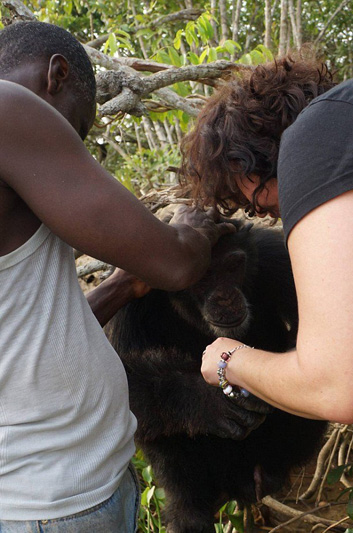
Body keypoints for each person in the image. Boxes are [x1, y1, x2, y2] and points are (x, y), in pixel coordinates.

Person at [0, 21, 234, 531]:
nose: (72, 149)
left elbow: (23, 335)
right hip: (55, 504)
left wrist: (122, 285)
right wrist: (191, 227)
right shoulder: (9, 109)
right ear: (55, 75)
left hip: (49, 497)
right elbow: (176, 263)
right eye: (78, 130)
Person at [179, 56, 353, 425]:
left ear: (240, 159)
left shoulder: (314, 137)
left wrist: (228, 360)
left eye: (241, 192)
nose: (255, 209)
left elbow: (336, 389)